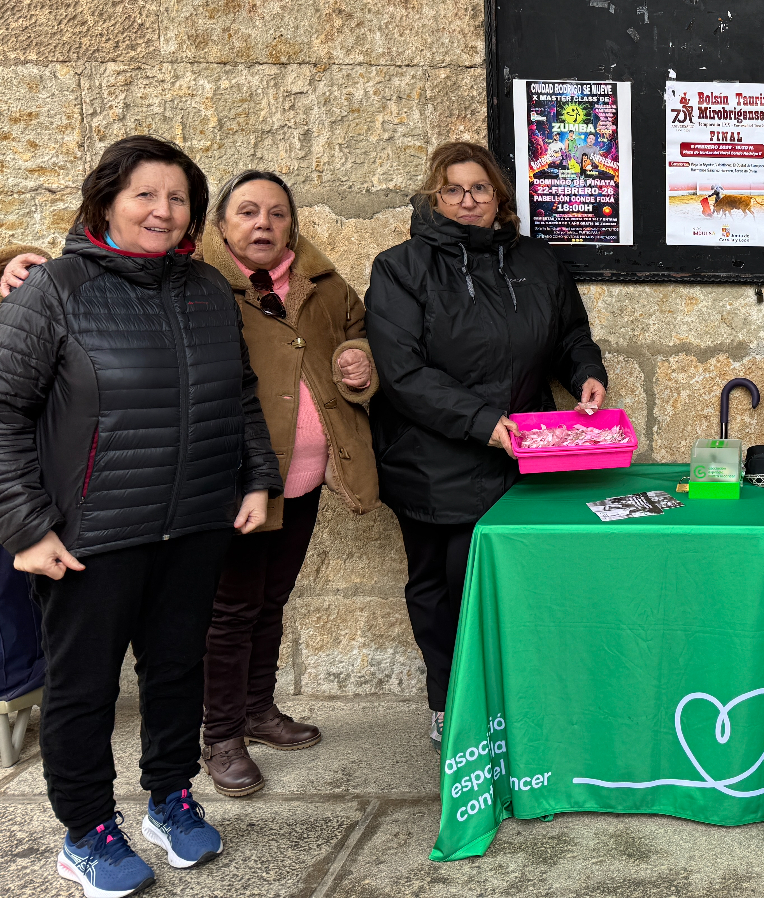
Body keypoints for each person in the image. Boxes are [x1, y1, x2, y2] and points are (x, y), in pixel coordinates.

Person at [0, 136, 280, 897]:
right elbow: (4, 412)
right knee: (83, 688)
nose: (163, 210)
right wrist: (26, 527)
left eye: (178, 197)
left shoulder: (204, 288)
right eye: (145, 195)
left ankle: (169, 798)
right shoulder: (53, 289)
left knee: (176, 671)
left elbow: (241, 393)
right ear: (105, 202)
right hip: (88, 536)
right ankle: (86, 830)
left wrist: (256, 478)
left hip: (192, 522)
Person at [365, 142, 607, 750]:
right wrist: (484, 422)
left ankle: (516, 698)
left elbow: (570, 334)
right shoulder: (401, 268)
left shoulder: (539, 263)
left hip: (522, 455)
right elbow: (404, 373)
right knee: (442, 588)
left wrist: (585, 375)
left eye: (480, 188)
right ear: (434, 197)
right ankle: (449, 703)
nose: (468, 200)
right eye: (453, 189)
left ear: (500, 196)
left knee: (518, 584)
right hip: (432, 460)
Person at [196, 171, 381, 796]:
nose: (263, 225)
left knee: (271, 599)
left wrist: (359, 364)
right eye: (248, 212)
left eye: (277, 214)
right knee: (231, 608)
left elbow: (358, 338)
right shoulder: (202, 288)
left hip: (299, 479)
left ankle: (257, 708)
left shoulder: (322, 287)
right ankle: (220, 733)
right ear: (222, 226)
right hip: (238, 479)